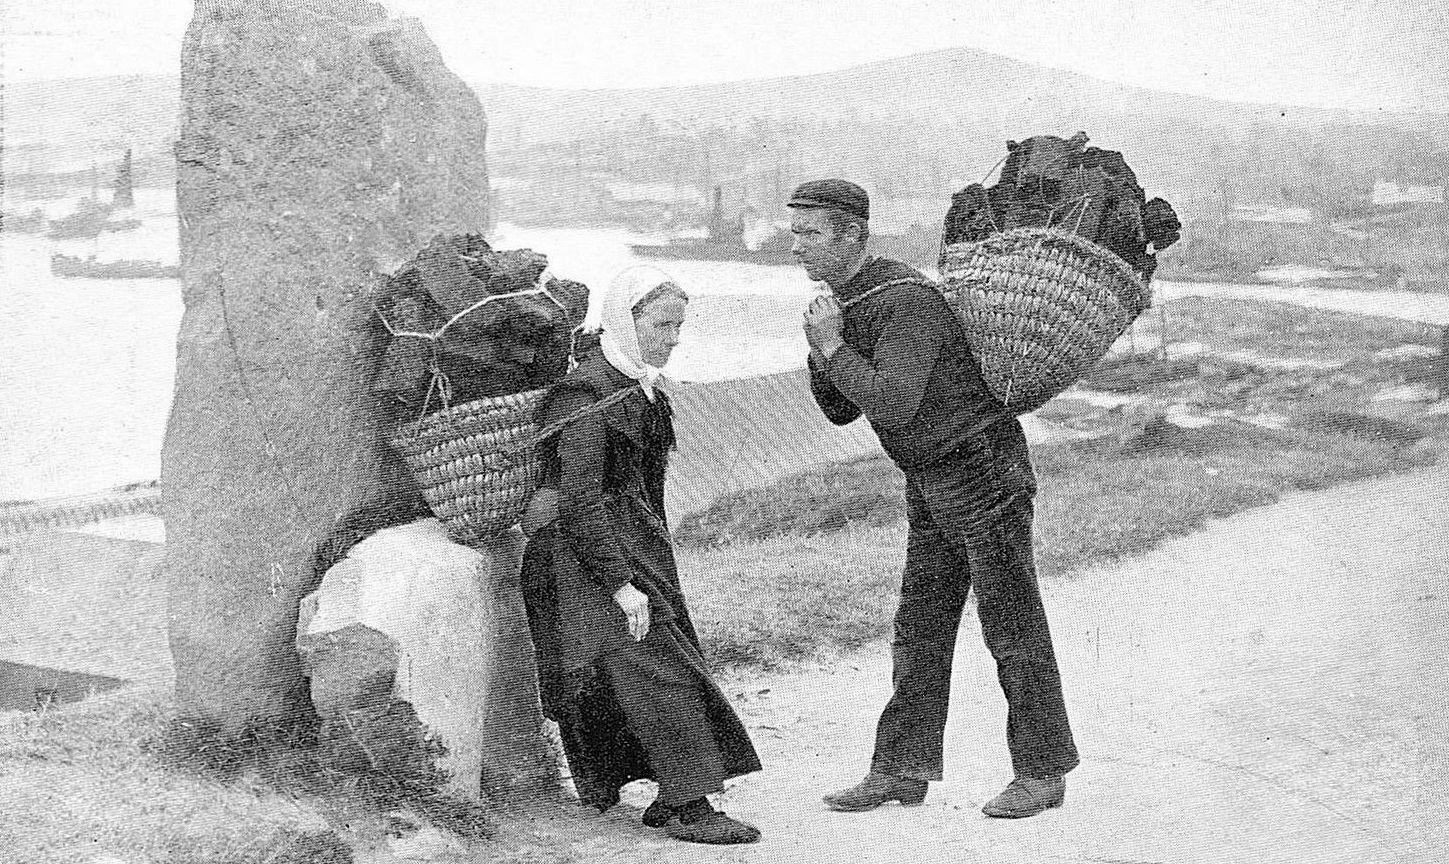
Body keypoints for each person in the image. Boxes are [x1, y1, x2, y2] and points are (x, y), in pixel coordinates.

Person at [789, 179, 1079, 819]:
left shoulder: (907, 299)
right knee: (919, 627)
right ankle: (901, 770)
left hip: (984, 473)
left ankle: (1043, 772)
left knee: (1012, 626)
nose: (796, 248)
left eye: (809, 233)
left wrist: (833, 346)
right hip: (929, 479)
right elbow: (842, 410)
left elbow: (894, 400)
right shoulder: (846, 300)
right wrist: (821, 349)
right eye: (796, 232)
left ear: (853, 236)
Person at [519, 266, 763, 845]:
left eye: (679, 326)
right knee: (656, 669)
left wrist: (652, 568)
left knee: (660, 660)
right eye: (662, 325)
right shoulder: (585, 394)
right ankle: (684, 804)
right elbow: (579, 499)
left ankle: (674, 794)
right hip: (576, 559)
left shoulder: (639, 386)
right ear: (627, 323)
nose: (674, 337)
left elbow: (639, 492)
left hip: (628, 547)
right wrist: (620, 583)